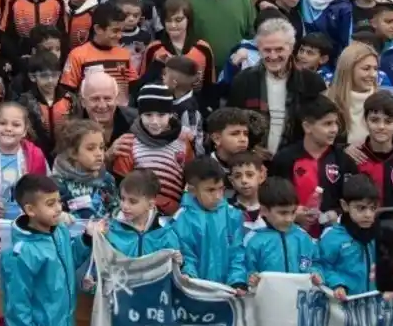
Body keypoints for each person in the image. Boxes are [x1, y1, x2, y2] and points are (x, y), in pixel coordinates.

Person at [0, 174, 93, 326]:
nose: (58, 208)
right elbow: (17, 307)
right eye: (50, 204)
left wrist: (86, 239)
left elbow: (67, 262)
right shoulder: (20, 254)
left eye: (59, 201)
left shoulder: (60, 231)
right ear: (30, 210)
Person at [226, 18, 327, 153]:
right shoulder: (243, 80)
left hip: (297, 159)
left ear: (291, 48)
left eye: (279, 50)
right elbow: (232, 123)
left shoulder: (311, 82)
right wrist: (252, 150)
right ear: (259, 50)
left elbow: (320, 125)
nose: (273, 56)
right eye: (267, 50)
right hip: (253, 160)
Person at [270, 95, 360, 236]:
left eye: (335, 123)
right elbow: (272, 199)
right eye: (327, 124)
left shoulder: (344, 161)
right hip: (291, 236)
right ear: (307, 127)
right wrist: (292, 214)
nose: (334, 129)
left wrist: (337, 214)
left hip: (333, 238)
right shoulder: (285, 159)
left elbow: (354, 202)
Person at [110, 84, 191, 215]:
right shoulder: (129, 142)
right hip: (139, 214)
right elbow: (122, 183)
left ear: (171, 114)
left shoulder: (183, 142)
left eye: (161, 115)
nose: (154, 121)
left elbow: (190, 181)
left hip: (174, 216)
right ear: (140, 114)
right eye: (148, 115)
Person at [170, 157, 247, 290]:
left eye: (221, 189)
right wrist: (189, 277)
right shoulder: (182, 219)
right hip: (196, 292)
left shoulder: (233, 215)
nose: (217, 196)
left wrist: (237, 281)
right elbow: (186, 255)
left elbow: (238, 253)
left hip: (229, 292)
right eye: (211, 190)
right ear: (192, 190)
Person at [244, 176, 322, 286]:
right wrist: (251, 277)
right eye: (283, 213)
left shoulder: (304, 238)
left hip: (297, 296)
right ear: (264, 210)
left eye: (293, 212)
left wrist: (316, 274)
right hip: (267, 296)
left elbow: (316, 263)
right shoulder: (253, 240)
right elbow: (245, 268)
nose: (289, 219)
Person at [319, 175, 380, 299]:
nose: (368, 214)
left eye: (373, 208)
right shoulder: (332, 237)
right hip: (345, 304)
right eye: (361, 208)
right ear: (345, 205)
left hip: (375, 304)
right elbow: (320, 266)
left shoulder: (380, 235)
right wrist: (338, 284)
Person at [0, 0, 67, 68]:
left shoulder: (57, 0)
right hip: (22, 55)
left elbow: (63, 35)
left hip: (49, 56)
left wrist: (59, 60)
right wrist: (17, 60)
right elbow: (6, 35)